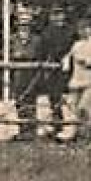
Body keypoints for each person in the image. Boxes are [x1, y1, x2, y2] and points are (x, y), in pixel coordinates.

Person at [29, 7, 74, 139]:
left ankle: (77, 128)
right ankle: (57, 125)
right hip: (51, 70)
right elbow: (42, 51)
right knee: (54, 98)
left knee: (71, 99)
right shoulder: (46, 33)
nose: (58, 18)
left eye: (60, 14)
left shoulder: (70, 32)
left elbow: (75, 47)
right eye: (55, 15)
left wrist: (68, 57)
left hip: (68, 69)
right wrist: (45, 63)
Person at [62, 17, 91, 144]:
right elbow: (69, 57)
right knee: (74, 110)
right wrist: (65, 63)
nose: (84, 32)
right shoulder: (76, 45)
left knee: (84, 108)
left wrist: (88, 62)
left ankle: (85, 135)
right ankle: (77, 135)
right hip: (76, 81)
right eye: (81, 29)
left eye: (86, 28)